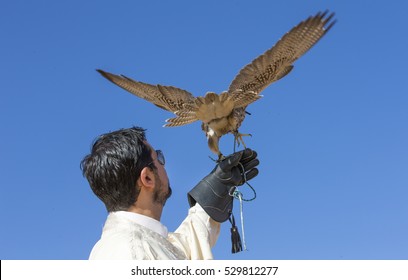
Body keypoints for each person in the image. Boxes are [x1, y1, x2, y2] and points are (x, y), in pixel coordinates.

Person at [80, 126, 259, 260]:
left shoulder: (136, 243)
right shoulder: (131, 252)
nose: (163, 164)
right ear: (147, 178)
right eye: (158, 158)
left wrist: (213, 192)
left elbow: (182, 249)